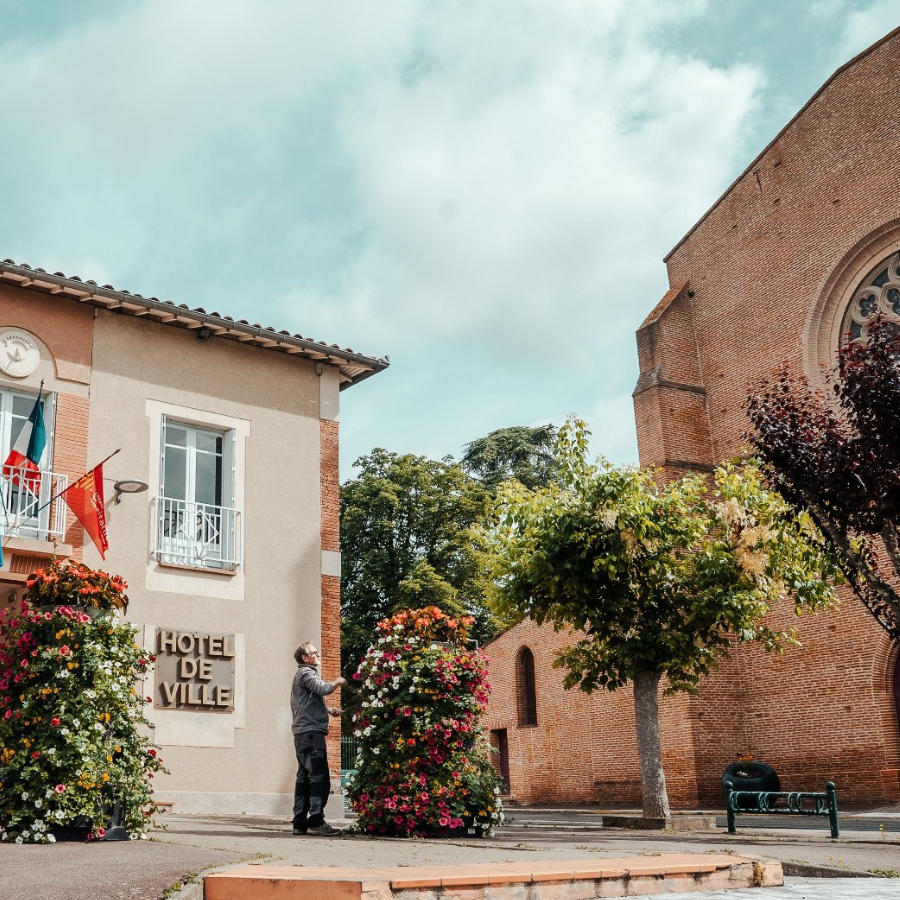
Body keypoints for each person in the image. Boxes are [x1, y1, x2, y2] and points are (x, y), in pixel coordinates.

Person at [290, 641, 346, 836]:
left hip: (303, 733)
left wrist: (328, 710)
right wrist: (338, 681)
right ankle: (316, 820)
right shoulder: (306, 673)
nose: (318, 655)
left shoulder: (302, 675)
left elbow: (307, 703)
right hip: (311, 734)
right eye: (314, 653)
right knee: (319, 778)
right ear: (305, 658)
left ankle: (299, 823)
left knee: (304, 778)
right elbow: (323, 689)